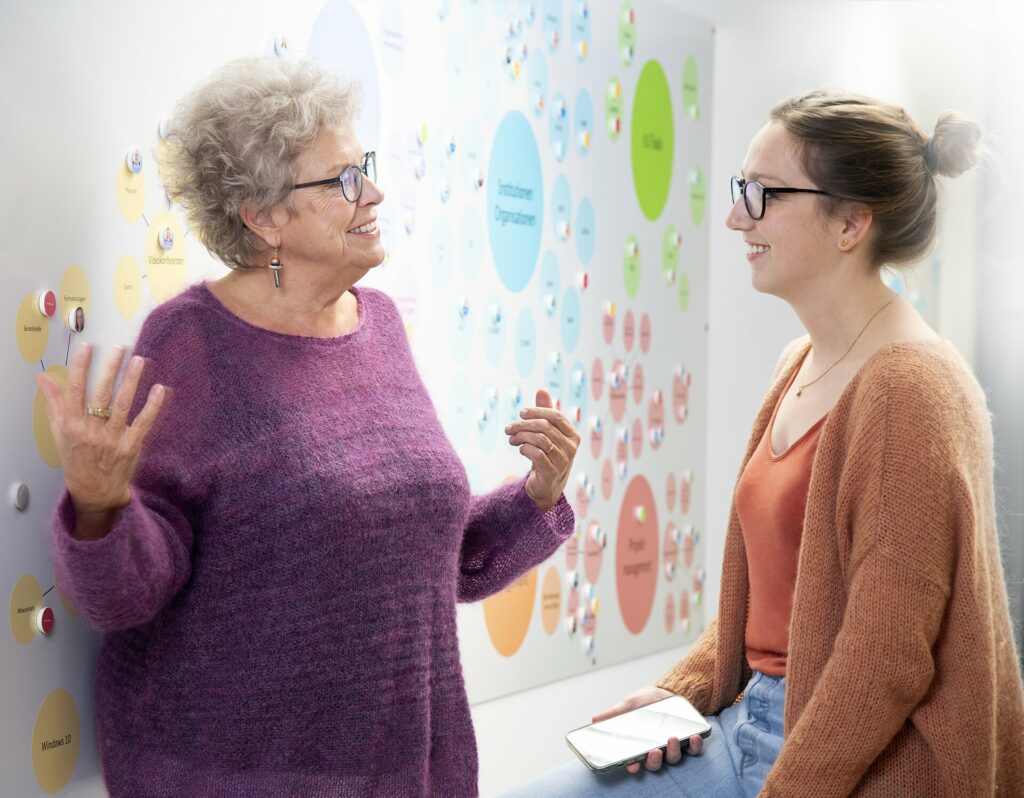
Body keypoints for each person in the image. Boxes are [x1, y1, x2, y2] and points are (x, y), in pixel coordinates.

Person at [35, 56, 578, 797]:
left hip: (410, 771)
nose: (375, 193)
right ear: (263, 217)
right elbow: (128, 597)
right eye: (345, 180)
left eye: (368, 168)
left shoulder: (379, 323)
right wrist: (99, 505)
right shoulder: (192, 343)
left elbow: (411, 557)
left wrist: (536, 498)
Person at [506, 90, 1024, 797]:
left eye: (762, 195)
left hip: (853, 758)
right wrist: (682, 691)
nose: (734, 216)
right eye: (738, 189)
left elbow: (885, 659)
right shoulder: (797, 363)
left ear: (850, 222)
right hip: (749, 715)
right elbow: (772, 597)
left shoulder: (913, 391)